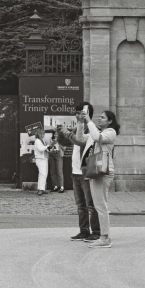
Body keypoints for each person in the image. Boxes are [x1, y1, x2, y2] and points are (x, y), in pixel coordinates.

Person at [57, 101, 100, 242]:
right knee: (80, 205)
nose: (76, 115)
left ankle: (96, 231)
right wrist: (60, 133)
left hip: (86, 172)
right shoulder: (78, 127)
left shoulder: (91, 129)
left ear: (87, 114)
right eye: (76, 112)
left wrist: (68, 133)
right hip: (75, 172)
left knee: (90, 205)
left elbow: (79, 141)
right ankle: (84, 231)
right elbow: (64, 142)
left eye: (79, 112)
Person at [80, 109, 119, 249]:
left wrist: (89, 120)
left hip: (103, 171)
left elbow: (96, 137)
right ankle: (103, 236)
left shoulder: (110, 132)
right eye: (99, 117)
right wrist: (81, 123)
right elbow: (80, 139)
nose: (99, 119)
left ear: (110, 121)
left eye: (103, 117)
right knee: (98, 205)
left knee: (101, 205)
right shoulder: (98, 131)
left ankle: (105, 238)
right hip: (96, 170)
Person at [33, 128, 50, 196]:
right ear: (39, 134)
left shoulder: (42, 140)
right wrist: (47, 146)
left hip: (44, 158)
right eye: (42, 133)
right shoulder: (37, 141)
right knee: (42, 174)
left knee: (44, 174)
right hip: (40, 159)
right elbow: (40, 149)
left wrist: (48, 149)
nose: (44, 135)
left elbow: (45, 149)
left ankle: (42, 189)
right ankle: (40, 189)